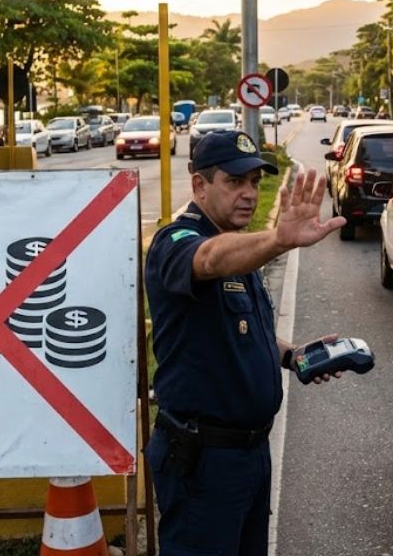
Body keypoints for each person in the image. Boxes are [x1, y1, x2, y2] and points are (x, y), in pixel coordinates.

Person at [145, 130, 348, 556]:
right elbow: (208, 259)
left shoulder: (242, 249)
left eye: (255, 182)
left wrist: (293, 355)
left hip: (251, 455)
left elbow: (245, 331)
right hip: (204, 462)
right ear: (199, 185)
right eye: (234, 182)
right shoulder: (176, 242)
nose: (250, 194)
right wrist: (277, 239)